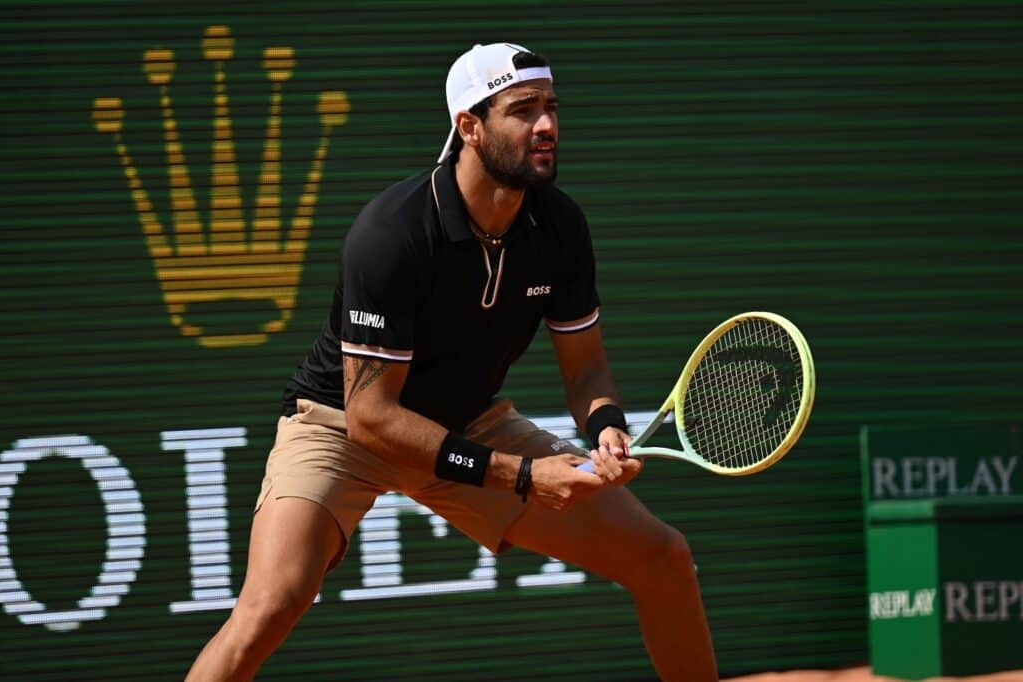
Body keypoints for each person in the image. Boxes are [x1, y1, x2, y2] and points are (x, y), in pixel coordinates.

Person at [186, 42, 717, 681]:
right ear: (469, 125)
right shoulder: (393, 234)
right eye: (522, 110)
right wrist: (522, 476)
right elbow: (374, 419)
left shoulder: (560, 227)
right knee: (269, 608)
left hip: (470, 422)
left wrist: (604, 423)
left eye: (551, 106)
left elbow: (585, 371)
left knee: (662, 557)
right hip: (342, 429)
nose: (547, 125)